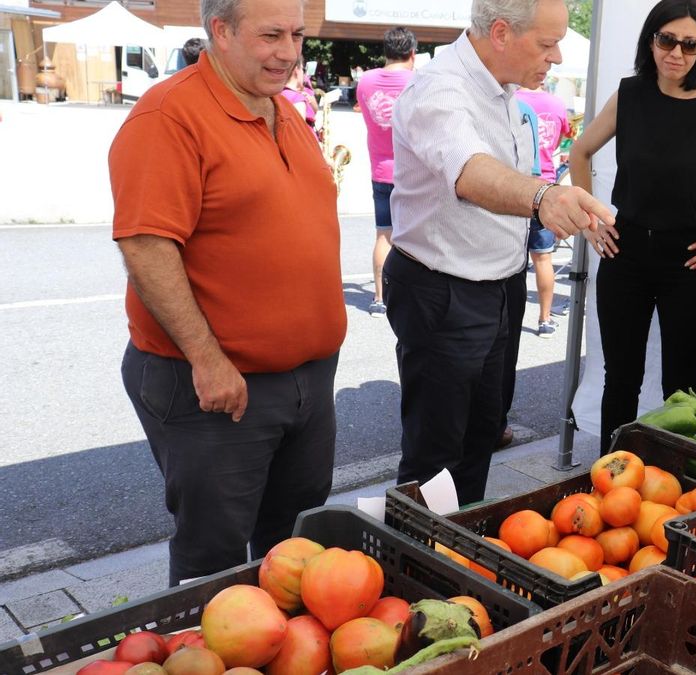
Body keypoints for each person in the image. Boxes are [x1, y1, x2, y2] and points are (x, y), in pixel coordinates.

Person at [109, 0, 346, 586]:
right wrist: (208, 360)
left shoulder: (281, 109)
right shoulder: (169, 115)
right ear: (220, 30)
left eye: (296, 35)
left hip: (305, 380)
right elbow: (146, 246)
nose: (289, 52)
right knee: (211, 564)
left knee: (293, 553)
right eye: (270, 35)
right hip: (218, 387)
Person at [385, 0, 613, 504]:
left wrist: (555, 201)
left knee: (483, 430)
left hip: (499, 287)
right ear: (503, 32)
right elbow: (471, 172)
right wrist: (543, 198)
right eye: (548, 43)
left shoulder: (505, 88)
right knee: (435, 452)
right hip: (442, 289)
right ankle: (425, 562)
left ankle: (461, 545)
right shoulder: (440, 89)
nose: (555, 56)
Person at [569, 0, 696, 447]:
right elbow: (580, 152)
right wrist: (591, 221)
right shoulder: (630, 95)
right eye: (667, 40)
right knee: (620, 377)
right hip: (625, 254)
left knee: (681, 385)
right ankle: (610, 471)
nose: (677, 54)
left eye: (690, 45)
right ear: (651, 40)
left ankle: (675, 486)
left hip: (691, 263)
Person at [356, 26, 417, 317]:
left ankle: (379, 299)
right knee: (414, 238)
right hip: (412, 173)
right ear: (412, 54)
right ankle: (408, 295)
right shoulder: (418, 80)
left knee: (383, 235)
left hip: (379, 170)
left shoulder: (366, 81)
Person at [497, 98, 544, 449]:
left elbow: (532, 172)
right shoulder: (443, 89)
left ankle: (496, 422)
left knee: (503, 354)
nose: (554, 58)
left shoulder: (521, 109)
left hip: (510, 261)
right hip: (455, 273)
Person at [516, 84, 573, 338]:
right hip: (546, 187)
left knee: (512, 260)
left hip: (515, 185)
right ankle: (545, 318)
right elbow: (562, 139)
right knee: (543, 257)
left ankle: (510, 317)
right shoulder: (556, 104)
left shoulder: (511, 98)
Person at [281, 60, 318, 131]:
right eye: (302, 69)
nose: (303, 73)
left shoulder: (279, 94)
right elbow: (298, 132)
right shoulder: (296, 98)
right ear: (296, 70)